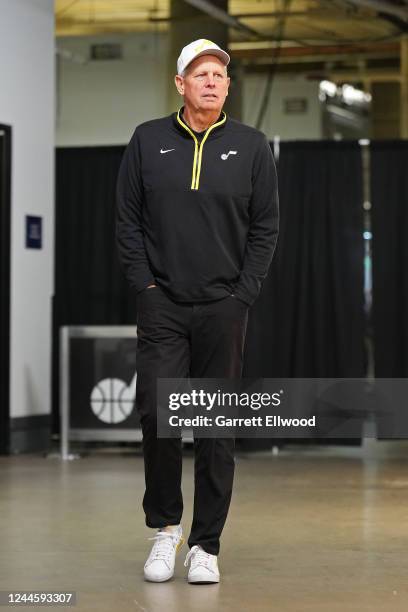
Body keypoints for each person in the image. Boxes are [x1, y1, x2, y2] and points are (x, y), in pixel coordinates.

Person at [116, 39, 279, 584]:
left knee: (215, 429)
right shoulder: (147, 141)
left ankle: (205, 545)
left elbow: (265, 228)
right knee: (158, 419)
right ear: (179, 83)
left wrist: (242, 295)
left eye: (219, 74)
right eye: (199, 73)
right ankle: (165, 531)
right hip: (162, 303)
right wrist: (145, 285)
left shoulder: (253, 147)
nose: (211, 80)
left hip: (224, 307)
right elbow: (127, 221)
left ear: (227, 86)